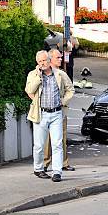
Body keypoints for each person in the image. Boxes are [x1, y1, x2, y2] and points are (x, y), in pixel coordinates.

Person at [25, 50, 74, 182]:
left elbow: (71, 89)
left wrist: (63, 102)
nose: (43, 63)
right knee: (39, 145)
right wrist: (39, 77)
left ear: (49, 60)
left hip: (57, 113)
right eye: (40, 61)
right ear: (37, 63)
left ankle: (57, 172)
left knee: (57, 144)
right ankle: (38, 169)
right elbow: (29, 90)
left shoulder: (59, 74)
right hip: (41, 114)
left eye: (45, 60)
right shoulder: (33, 74)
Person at [44, 49, 75, 172]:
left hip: (60, 111)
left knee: (61, 137)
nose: (61, 59)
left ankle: (63, 163)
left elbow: (70, 89)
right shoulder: (43, 72)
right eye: (58, 57)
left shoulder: (62, 74)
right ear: (50, 59)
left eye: (61, 57)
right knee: (46, 139)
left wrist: (63, 101)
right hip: (46, 111)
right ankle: (45, 162)